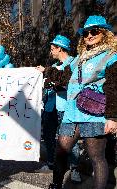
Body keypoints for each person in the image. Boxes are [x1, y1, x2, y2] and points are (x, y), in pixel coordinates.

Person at [47, 15, 117, 189]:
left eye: (94, 31)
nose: (89, 36)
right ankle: (56, 185)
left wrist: (113, 117)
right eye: (86, 33)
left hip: (94, 114)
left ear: (105, 33)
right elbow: (64, 77)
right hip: (71, 113)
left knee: (96, 158)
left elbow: (113, 87)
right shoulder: (80, 58)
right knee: (61, 153)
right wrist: (44, 72)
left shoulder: (111, 56)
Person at [36, 35, 81, 183]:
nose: (51, 52)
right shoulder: (54, 66)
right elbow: (49, 83)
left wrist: (53, 83)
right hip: (50, 107)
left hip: (66, 108)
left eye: (52, 49)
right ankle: (50, 163)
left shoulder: (74, 63)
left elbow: (69, 84)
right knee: (49, 137)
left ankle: (74, 169)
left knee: (69, 139)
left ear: (60, 48)